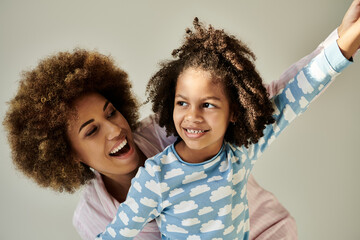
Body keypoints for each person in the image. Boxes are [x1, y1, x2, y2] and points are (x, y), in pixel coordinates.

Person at [3, 1, 359, 239]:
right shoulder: (135, 192)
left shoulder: (180, 132)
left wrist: (339, 46)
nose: (114, 129)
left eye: (111, 111)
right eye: (92, 130)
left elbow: (278, 101)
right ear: (70, 156)